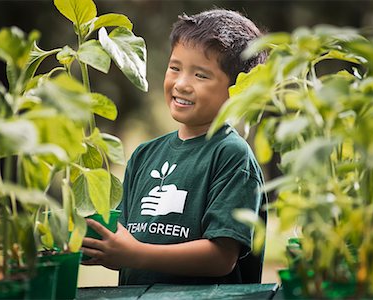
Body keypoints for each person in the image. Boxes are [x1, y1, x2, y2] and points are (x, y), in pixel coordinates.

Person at [81, 8, 268, 285]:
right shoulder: (144, 155)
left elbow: (221, 258)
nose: (181, 84)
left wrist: (135, 255)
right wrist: (92, 243)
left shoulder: (231, 155)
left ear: (238, 90)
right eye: (175, 68)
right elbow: (126, 241)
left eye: (200, 76)